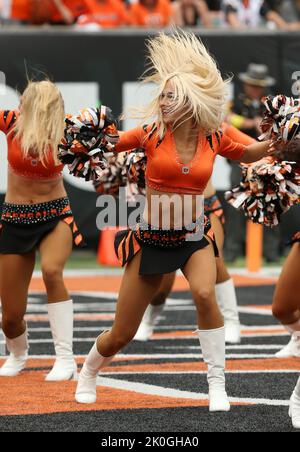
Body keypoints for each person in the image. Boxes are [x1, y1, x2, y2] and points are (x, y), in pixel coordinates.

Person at [74, 30, 274, 412]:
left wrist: (284, 140)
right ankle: (90, 370)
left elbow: (249, 153)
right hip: (150, 238)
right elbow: (109, 142)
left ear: (188, 101)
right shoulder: (150, 133)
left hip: (193, 235)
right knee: (121, 333)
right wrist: (79, 135)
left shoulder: (212, 136)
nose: (163, 101)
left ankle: (217, 385)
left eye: (170, 95)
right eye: (162, 95)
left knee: (203, 292)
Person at [135, 123, 255, 345]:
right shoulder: (158, 130)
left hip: (206, 208)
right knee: (161, 283)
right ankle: (149, 320)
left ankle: (231, 321)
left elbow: (252, 149)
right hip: (168, 214)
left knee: (216, 263)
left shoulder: (219, 129)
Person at [0, 80, 84, 381]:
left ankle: (65, 358)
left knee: (51, 271)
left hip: (55, 215)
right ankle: (18, 352)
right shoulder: (11, 123)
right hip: (15, 219)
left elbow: (114, 144)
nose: (19, 105)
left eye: (26, 102)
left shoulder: (68, 132)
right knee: (10, 317)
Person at [226, 63, 281, 263]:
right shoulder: (237, 102)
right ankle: (232, 251)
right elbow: (227, 119)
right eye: (252, 84)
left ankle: (272, 253)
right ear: (246, 84)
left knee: (272, 202)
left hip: (267, 159)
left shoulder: (273, 102)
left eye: (259, 85)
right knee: (236, 203)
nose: (255, 89)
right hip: (240, 158)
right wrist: (250, 123)